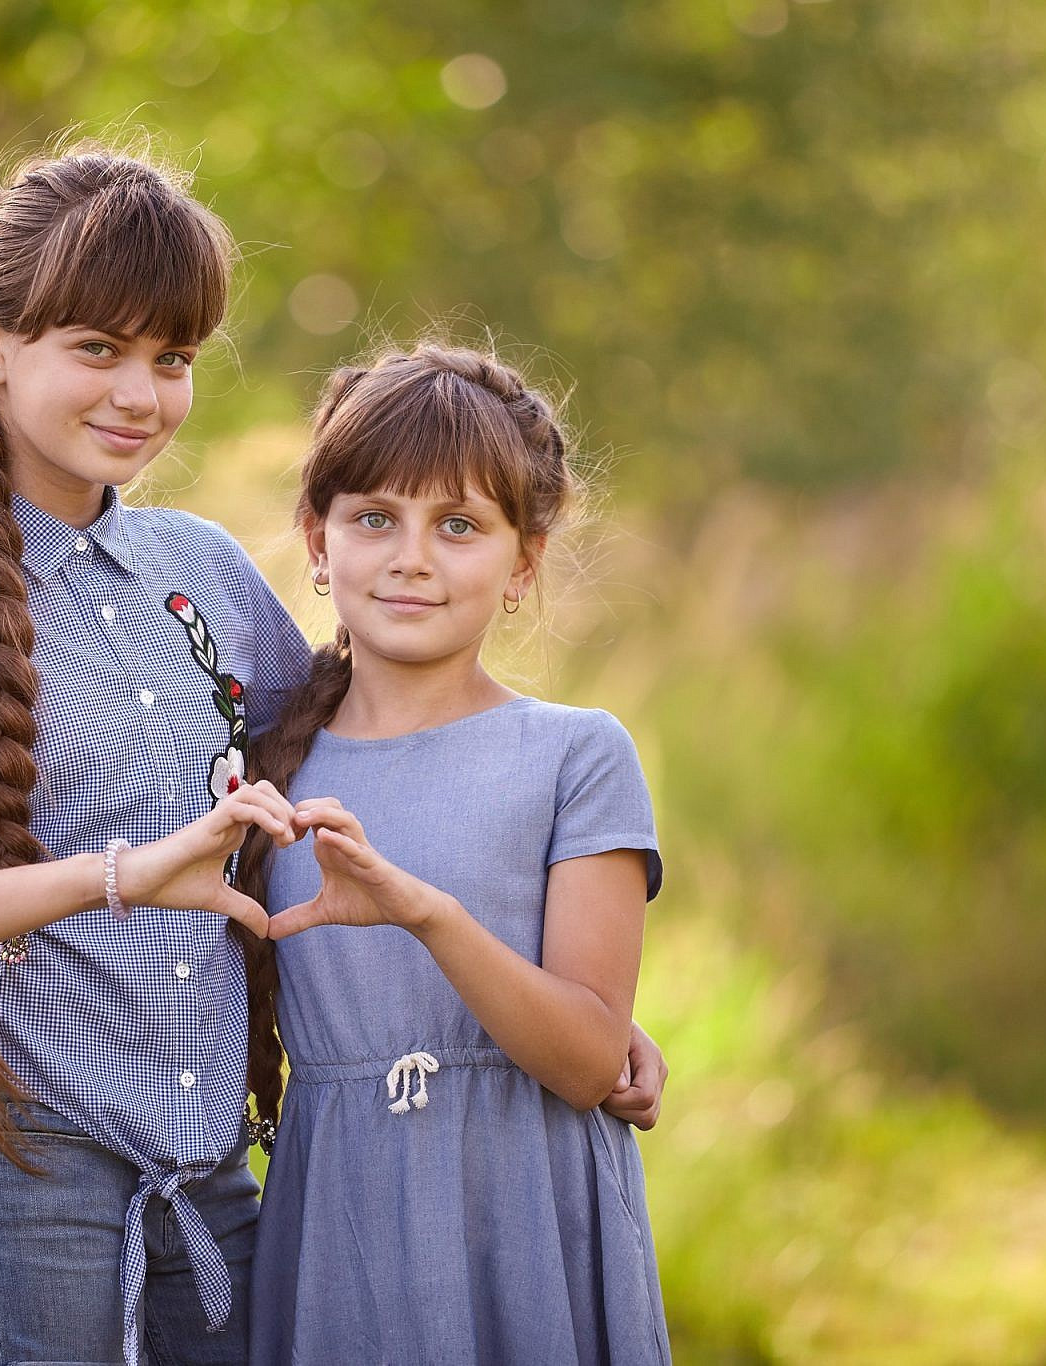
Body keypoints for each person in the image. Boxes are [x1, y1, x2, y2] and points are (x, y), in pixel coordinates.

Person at [0, 142, 668, 1366]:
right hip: (24, 1179)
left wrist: (586, 1024)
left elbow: (368, 770)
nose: (138, 393)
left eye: (172, 358)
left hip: (214, 1183)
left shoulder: (203, 575)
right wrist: (89, 886)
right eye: (97, 348)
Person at [239, 344, 673, 1364]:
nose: (410, 558)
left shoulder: (575, 754)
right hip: (335, 1221)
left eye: (459, 526)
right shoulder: (262, 765)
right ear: (317, 537)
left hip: (523, 1210)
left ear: (522, 562)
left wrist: (422, 912)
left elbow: (581, 1058)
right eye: (374, 518)